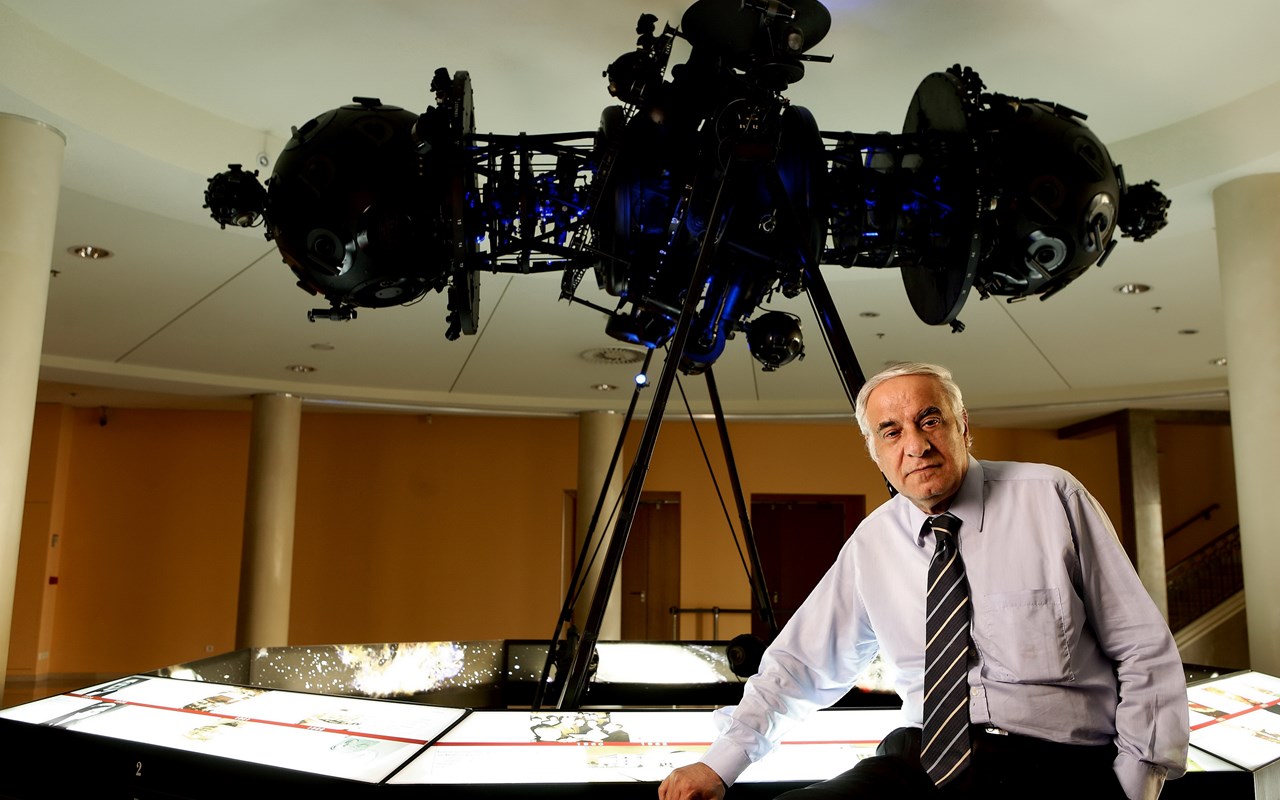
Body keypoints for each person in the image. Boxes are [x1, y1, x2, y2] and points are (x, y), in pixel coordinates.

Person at [658, 362, 1188, 800]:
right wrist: (719, 765)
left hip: (1053, 766)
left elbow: (1143, 648)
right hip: (919, 764)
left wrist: (1134, 786)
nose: (915, 444)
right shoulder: (873, 543)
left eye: (930, 420)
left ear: (962, 426)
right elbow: (798, 667)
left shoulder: (1051, 498)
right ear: (876, 453)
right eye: (891, 431)